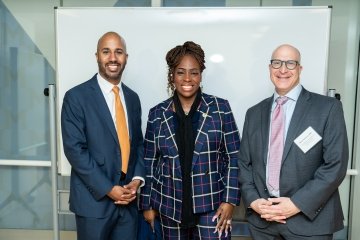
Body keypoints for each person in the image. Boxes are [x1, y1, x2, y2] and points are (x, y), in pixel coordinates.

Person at [238, 44, 349, 239]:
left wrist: (296, 204)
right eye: (277, 63)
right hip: (262, 222)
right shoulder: (254, 113)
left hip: (309, 223)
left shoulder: (328, 108)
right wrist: (254, 200)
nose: (283, 69)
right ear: (270, 68)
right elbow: (244, 164)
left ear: (300, 69)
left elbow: (335, 165)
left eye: (290, 63)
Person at [139, 41, 241, 239]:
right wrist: (148, 205)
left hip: (213, 207)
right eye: (180, 72)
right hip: (169, 207)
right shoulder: (157, 114)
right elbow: (149, 163)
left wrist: (230, 201)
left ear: (201, 75)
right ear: (172, 75)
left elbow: (234, 158)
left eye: (194, 72)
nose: (187, 78)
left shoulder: (220, 108)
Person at [61, 31, 145, 240]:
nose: (113, 58)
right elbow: (75, 150)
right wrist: (108, 189)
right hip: (93, 204)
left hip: (128, 203)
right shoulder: (76, 97)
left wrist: (136, 180)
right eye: (106, 52)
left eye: (118, 52)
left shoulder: (133, 98)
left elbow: (138, 145)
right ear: (97, 56)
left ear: (126, 57)